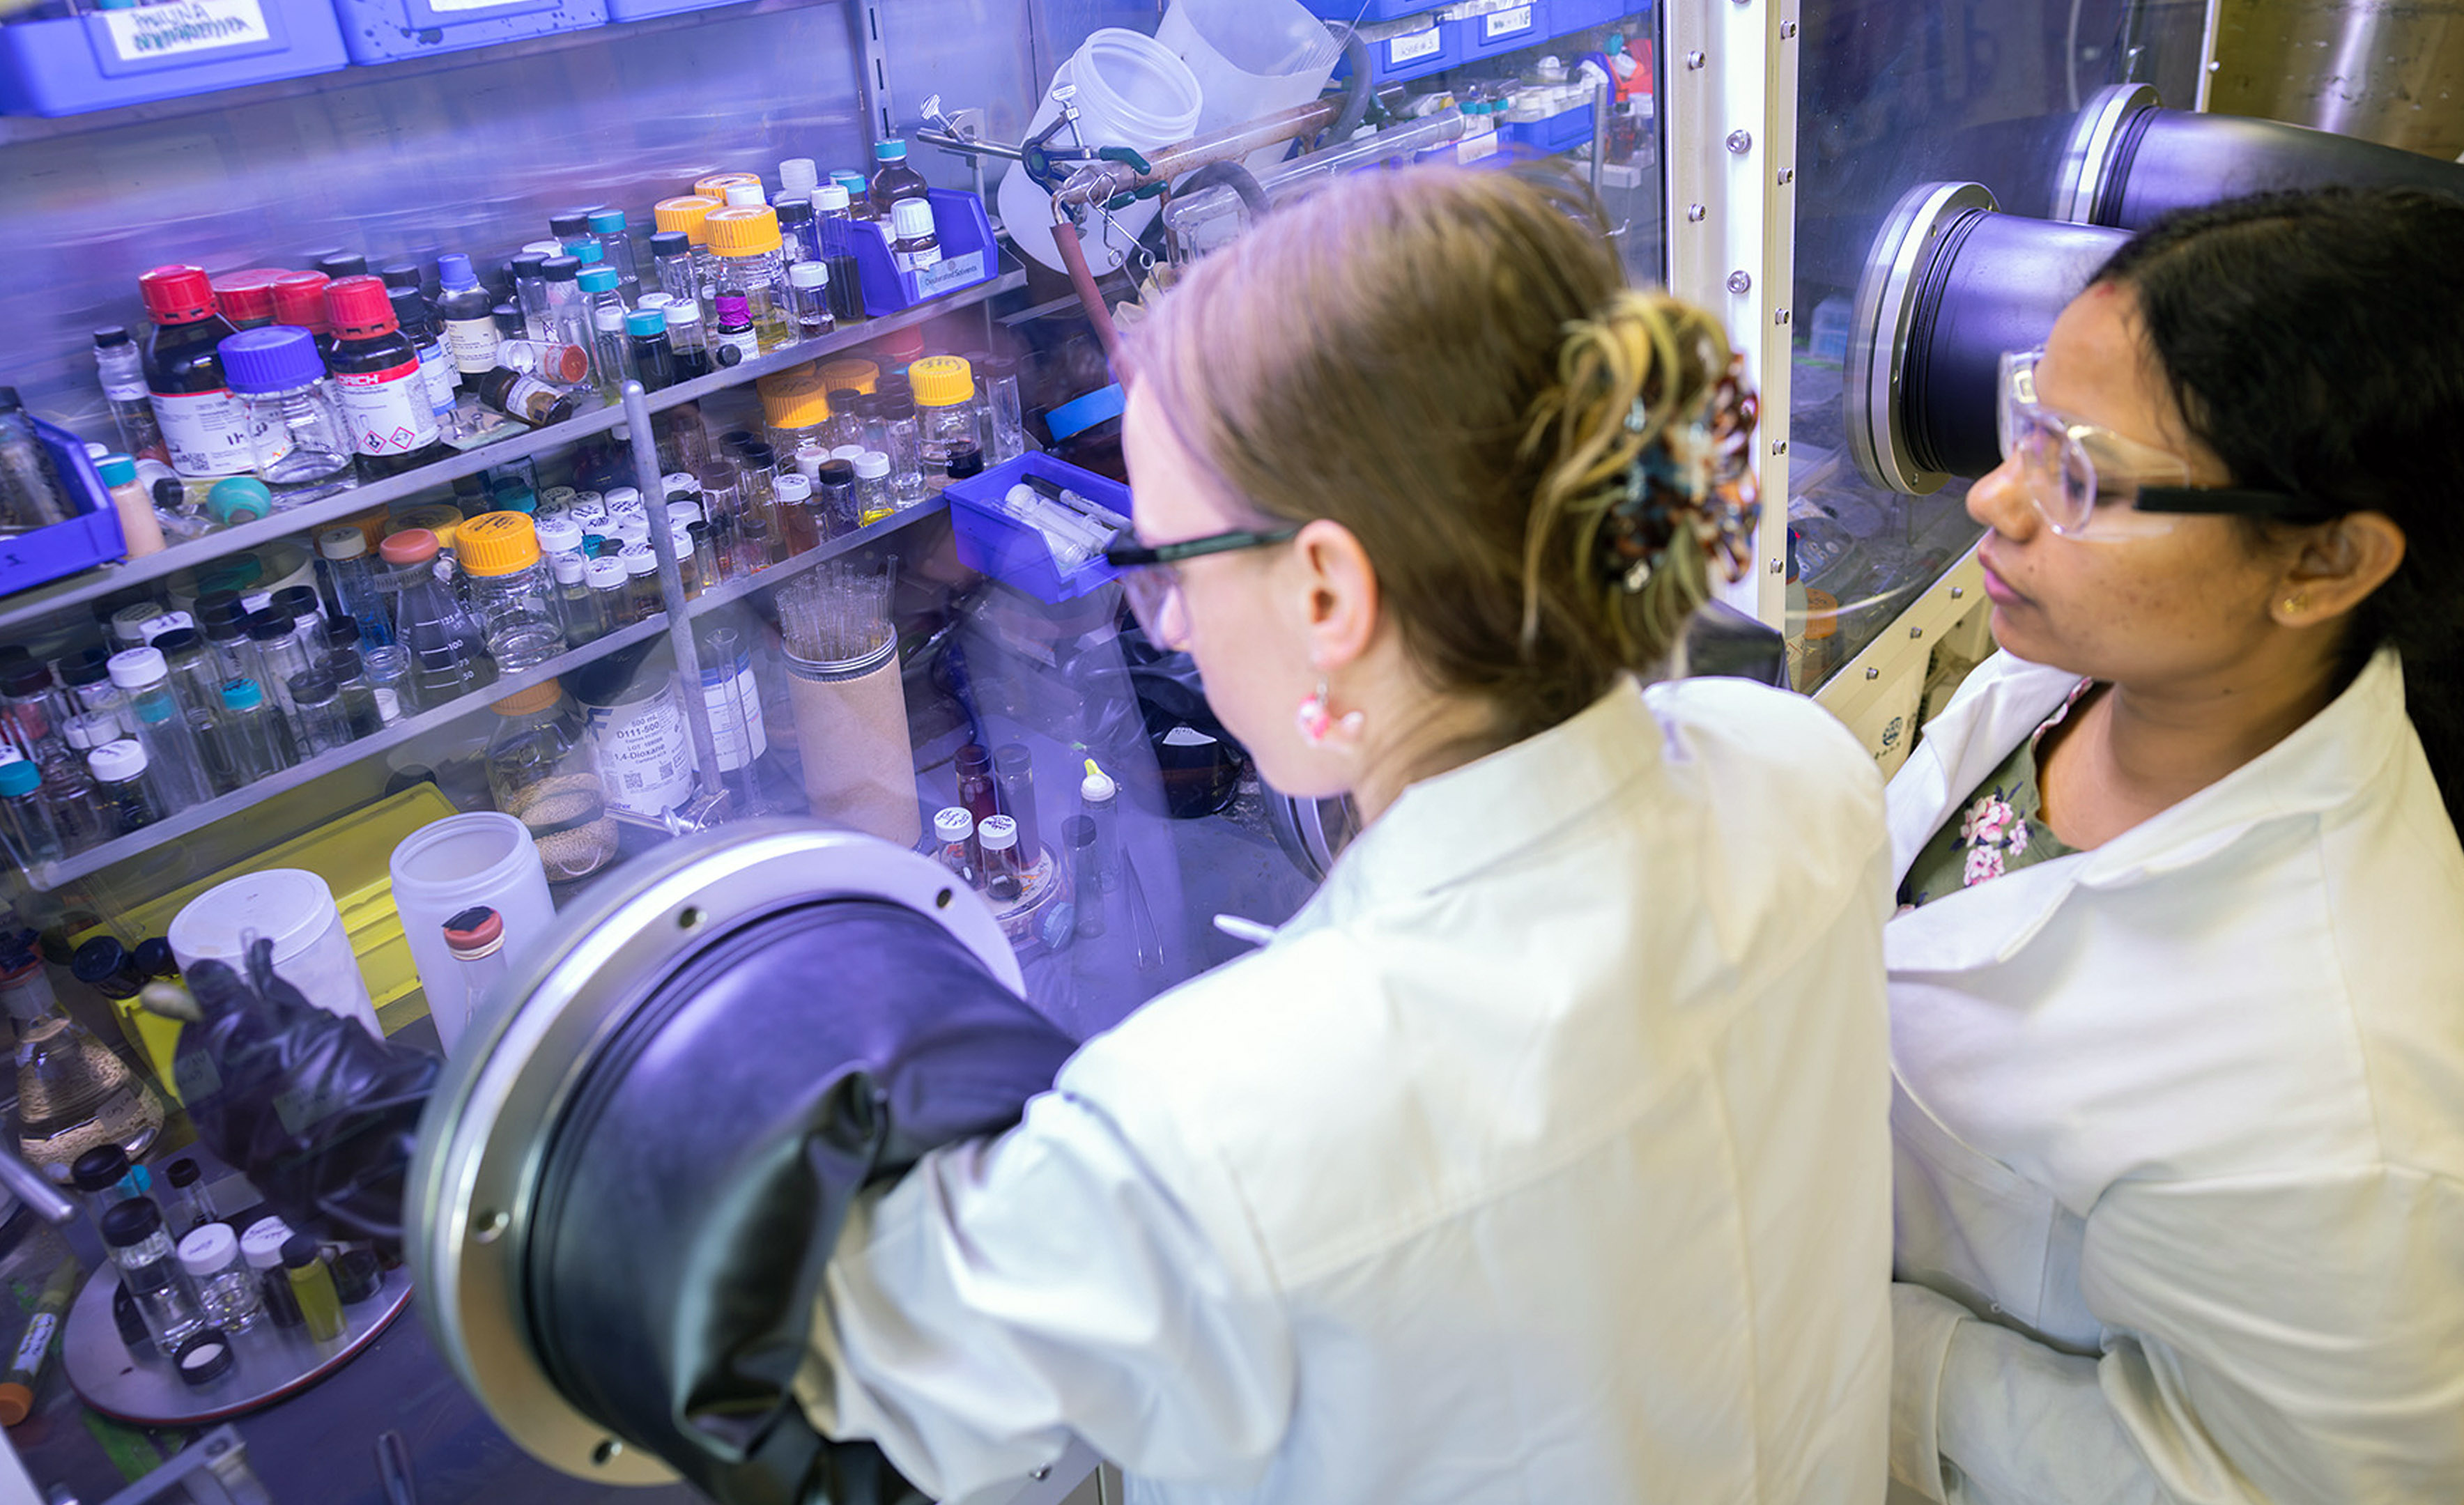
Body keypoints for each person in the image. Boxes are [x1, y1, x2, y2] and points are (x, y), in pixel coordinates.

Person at [797, 167, 1898, 1502]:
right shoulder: (1805, 776)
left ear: (1327, 589)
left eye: (1169, 569)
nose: (1172, 628)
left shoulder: (1217, 1125)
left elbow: (855, 1372)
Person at [1884, 186, 2464, 1503]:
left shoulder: (2351, 1110)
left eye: (2077, 476)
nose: (1993, 497)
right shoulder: (2080, 670)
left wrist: (1863, 1342)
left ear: (2322, 563)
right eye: (2028, 426)